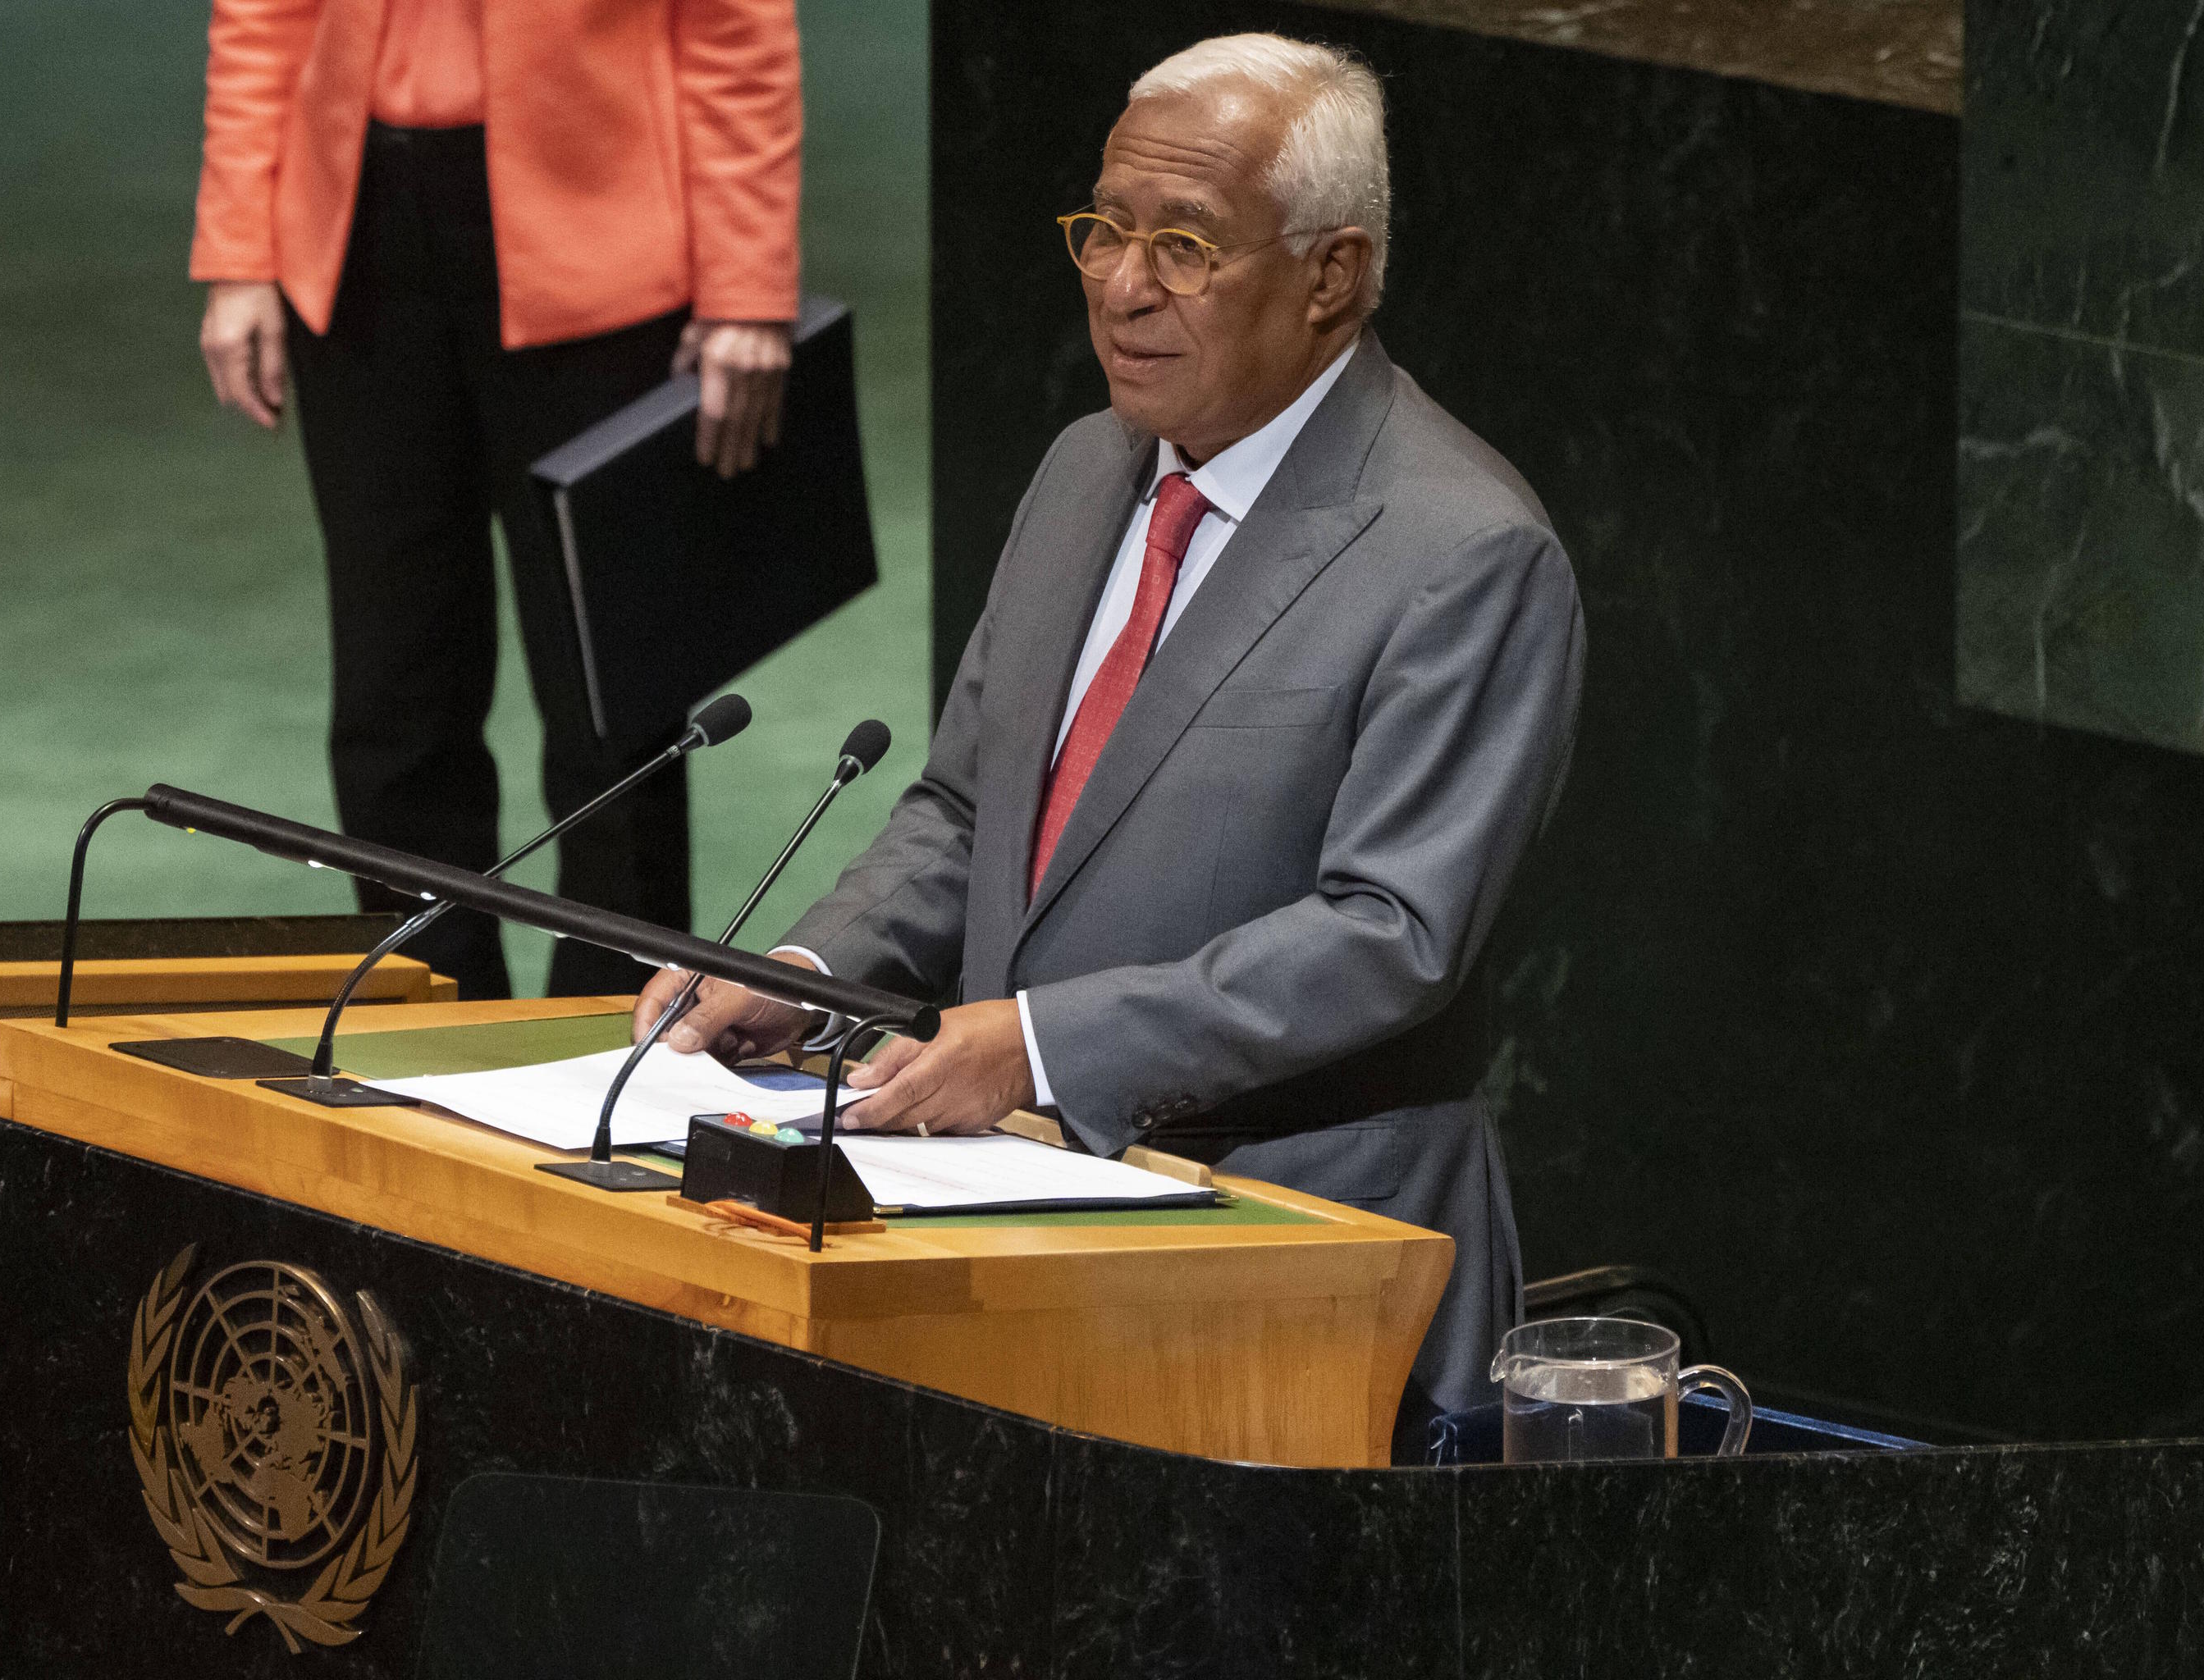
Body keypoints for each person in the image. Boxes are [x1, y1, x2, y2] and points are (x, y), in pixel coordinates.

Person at [638, 34, 1585, 1443]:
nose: (1123, 286)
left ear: (1330, 274)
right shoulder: (1087, 468)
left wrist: (1039, 1044)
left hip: (1299, 1246)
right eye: (1105, 230)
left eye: (1187, 245)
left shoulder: (1465, 551)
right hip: (1011, 1216)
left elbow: (1388, 930)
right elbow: (970, 809)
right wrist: (806, 969)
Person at [190, 0, 802, 998]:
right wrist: (239, 250)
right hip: (356, 239)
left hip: (603, 240)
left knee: (614, 705)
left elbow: (737, 26)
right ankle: (423, 1015)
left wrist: (746, 284)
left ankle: (612, 1025)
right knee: (392, 689)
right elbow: (261, 13)